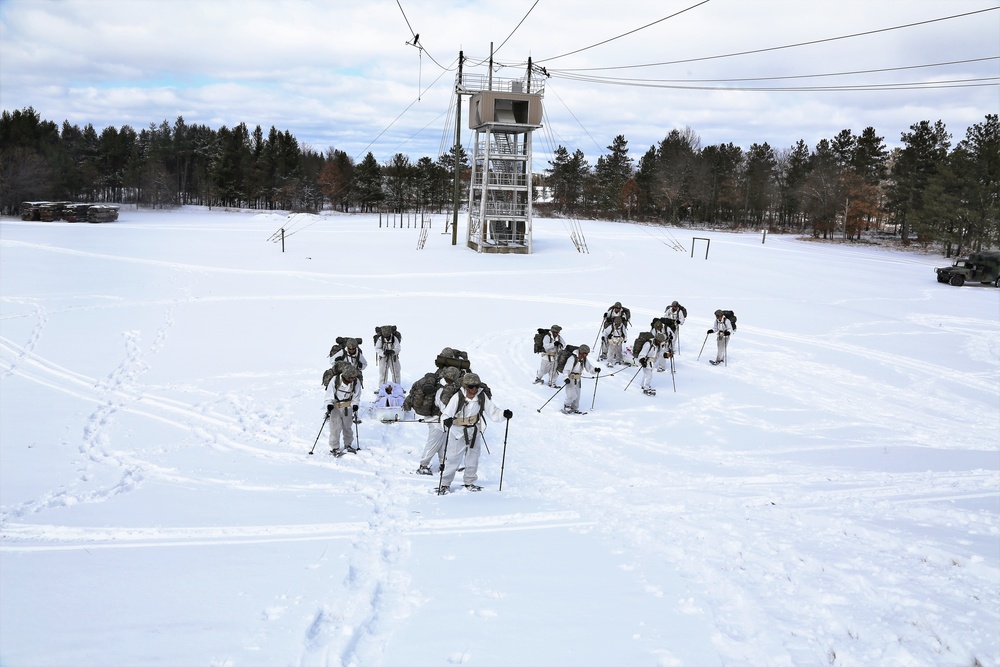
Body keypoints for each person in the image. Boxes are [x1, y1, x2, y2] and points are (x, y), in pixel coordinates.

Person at [438, 373, 512, 494]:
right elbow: (447, 413)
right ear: (466, 386)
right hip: (457, 432)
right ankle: (445, 484)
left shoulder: (481, 396)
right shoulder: (458, 397)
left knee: (473, 458)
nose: (474, 389)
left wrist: (504, 414)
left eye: (476, 386)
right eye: (472, 386)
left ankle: (469, 482)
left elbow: (493, 411)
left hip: (474, 430)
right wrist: (446, 420)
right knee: (453, 459)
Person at [416, 366, 461, 475]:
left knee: (443, 443)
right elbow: (442, 406)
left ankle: (443, 464)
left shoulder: (446, 387)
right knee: (433, 444)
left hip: (442, 421)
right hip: (435, 420)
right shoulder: (441, 389)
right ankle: (423, 465)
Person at [324, 364, 362, 455]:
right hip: (335, 407)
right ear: (345, 376)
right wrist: (329, 404)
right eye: (350, 378)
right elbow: (329, 394)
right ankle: (334, 447)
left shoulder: (356, 382)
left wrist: (355, 405)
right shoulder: (335, 380)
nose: (352, 379)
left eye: (353, 377)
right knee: (335, 428)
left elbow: (356, 396)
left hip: (347, 407)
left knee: (347, 427)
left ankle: (348, 444)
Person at [561, 344, 599, 414]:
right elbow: (566, 370)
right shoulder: (572, 358)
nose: (586, 355)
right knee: (571, 394)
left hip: (578, 379)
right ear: (581, 352)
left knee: (577, 395)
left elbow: (589, 367)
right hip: (570, 378)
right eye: (585, 353)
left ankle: (574, 407)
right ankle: (566, 406)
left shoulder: (584, 359)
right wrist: (565, 378)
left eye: (587, 353)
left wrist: (595, 370)